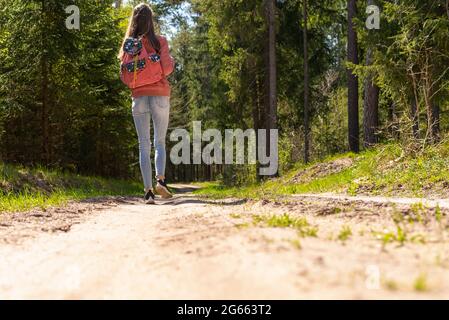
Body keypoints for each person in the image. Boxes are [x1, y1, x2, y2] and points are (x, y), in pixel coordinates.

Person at [118, 3, 174, 204]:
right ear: (151, 20)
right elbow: (167, 69)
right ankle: (161, 180)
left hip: (138, 97)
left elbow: (123, 74)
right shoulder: (160, 41)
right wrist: (170, 61)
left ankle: (148, 192)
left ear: (134, 20)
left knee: (144, 144)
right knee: (159, 141)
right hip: (160, 95)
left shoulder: (129, 45)